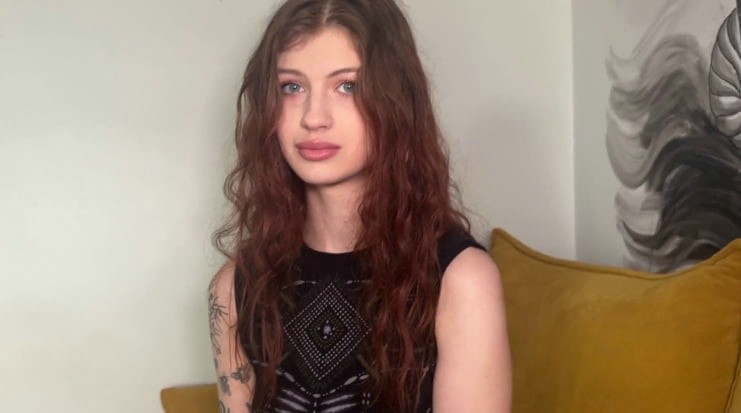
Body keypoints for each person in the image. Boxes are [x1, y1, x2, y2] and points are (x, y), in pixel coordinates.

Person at [208, 0, 511, 411]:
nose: (314, 117)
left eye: (347, 86)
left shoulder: (460, 280)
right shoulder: (233, 289)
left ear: (395, 101)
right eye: (291, 87)